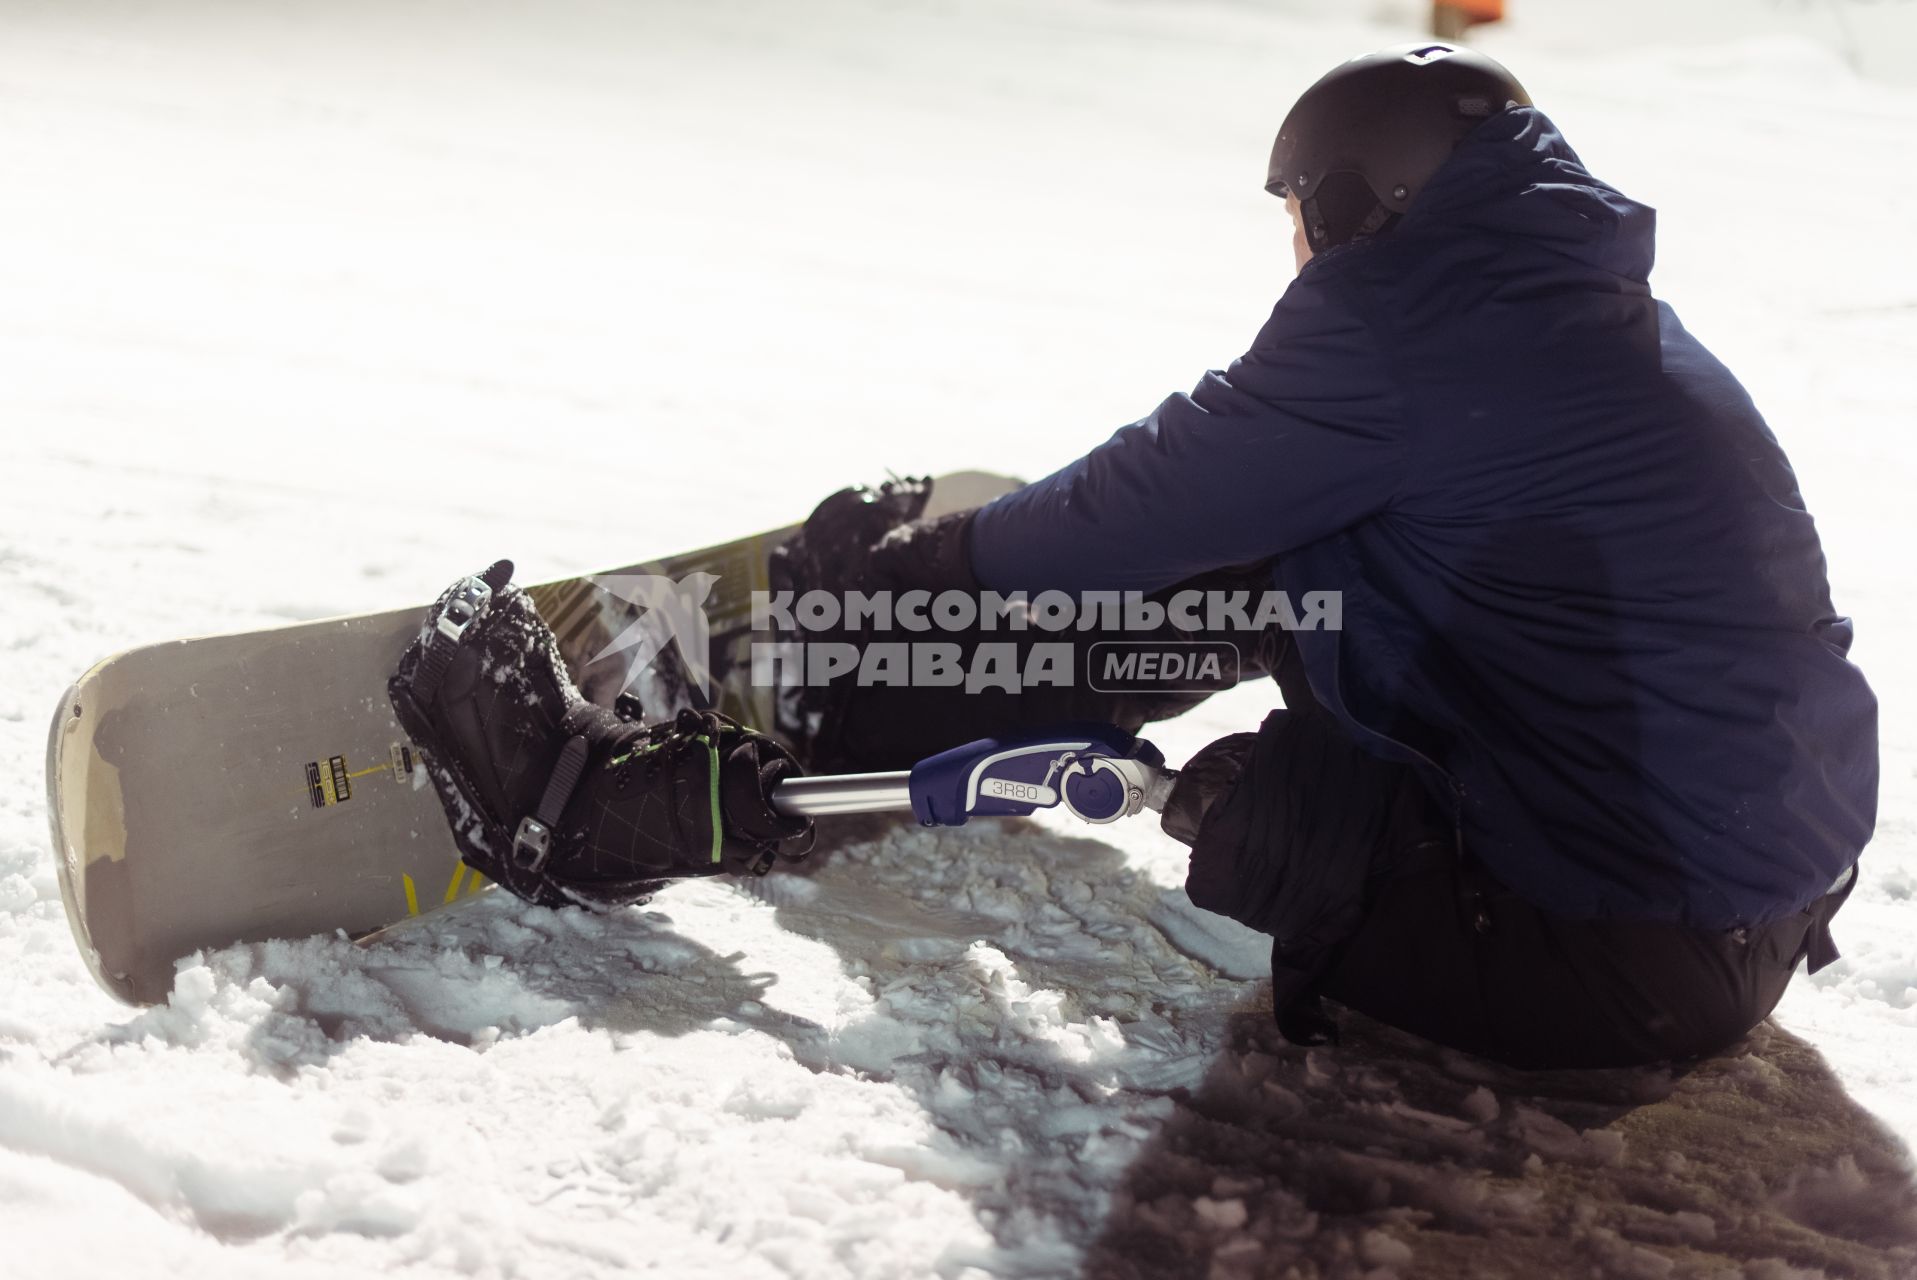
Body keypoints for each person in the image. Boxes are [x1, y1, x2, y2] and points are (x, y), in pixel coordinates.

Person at [391, 44, 1877, 1071]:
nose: (1294, 245)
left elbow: (1151, 499)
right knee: (1283, 568)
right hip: (1740, 904)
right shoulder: (1570, 312)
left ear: (1357, 202)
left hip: (1607, 956)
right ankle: (900, 698)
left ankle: (600, 816)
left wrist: (919, 579)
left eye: (1300, 214)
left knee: (1254, 810)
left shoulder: (1404, 327)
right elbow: (1220, 507)